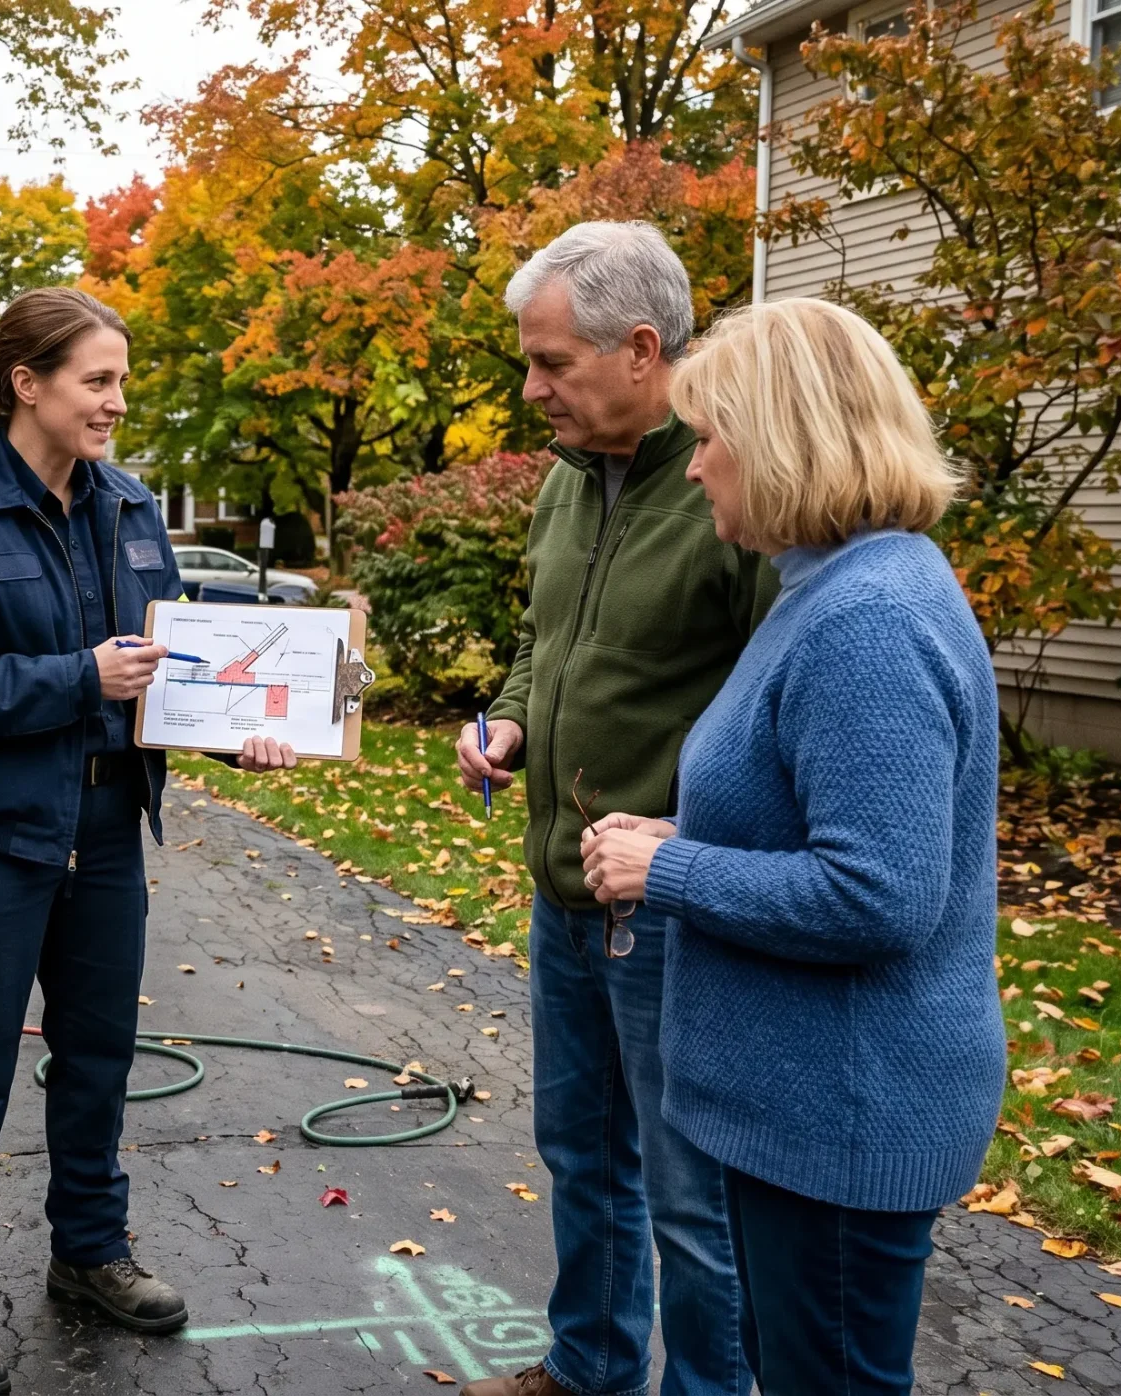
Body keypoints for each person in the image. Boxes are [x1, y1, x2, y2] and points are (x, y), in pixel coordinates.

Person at [0, 285, 296, 1396]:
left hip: (108, 829)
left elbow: (169, 679)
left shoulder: (130, 508)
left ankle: (88, 1253)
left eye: (119, 380)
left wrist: (236, 733)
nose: (117, 401)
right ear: (27, 384)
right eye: (96, 380)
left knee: (98, 1062)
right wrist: (78, 677)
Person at [578, 296, 1002, 1395]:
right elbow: (817, 816)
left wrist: (664, 869)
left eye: (711, 437)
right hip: (803, 1114)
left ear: (779, 440)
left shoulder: (865, 616)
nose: (692, 467)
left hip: (844, 1120)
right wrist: (683, 830)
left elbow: (878, 893)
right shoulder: (826, 586)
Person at [453, 222, 776, 1396]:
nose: (531, 388)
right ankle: (587, 1370)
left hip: (677, 909)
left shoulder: (735, 480)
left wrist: (698, 853)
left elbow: (782, 699)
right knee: (581, 1158)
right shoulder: (561, 482)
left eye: (551, 363)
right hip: (565, 894)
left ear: (642, 349)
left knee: (694, 1201)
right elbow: (548, 645)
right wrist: (507, 718)